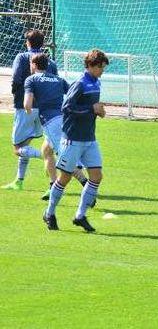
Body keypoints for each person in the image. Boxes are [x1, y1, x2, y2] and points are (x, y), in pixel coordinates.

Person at [43, 49, 108, 232]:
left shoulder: (96, 83)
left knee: (97, 175)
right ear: (92, 66)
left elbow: (91, 108)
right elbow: (67, 108)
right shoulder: (80, 83)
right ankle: (49, 213)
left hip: (89, 139)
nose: (103, 70)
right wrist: (91, 109)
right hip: (73, 140)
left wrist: (99, 111)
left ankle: (80, 215)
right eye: (101, 67)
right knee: (64, 178)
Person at [23, 54, 88, 201]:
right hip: (66, 119)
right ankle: (52, 186)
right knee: (46, 150)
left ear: (34, 64)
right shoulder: (57, 79)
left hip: (52, 122)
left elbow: (27, 105)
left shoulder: (31, 79)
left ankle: (87, 185)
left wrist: (30, 115)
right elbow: (74, 94)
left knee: (65, 159)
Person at [3, 30, 58, 191]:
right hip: (45, 110)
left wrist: (17, 95)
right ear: (43, 43)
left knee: (18, 148)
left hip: (25, 107)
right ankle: (19, 181)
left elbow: (16, 78)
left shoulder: (21, 57)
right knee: (26, 144)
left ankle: (46, 157)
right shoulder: (51, 62)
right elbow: (55, 83)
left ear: (27, 42)